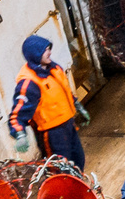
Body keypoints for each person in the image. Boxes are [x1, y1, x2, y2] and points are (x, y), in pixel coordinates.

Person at [5, 35, 87, 165]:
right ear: (36, 54)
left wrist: (77, 105)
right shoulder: (29, 83)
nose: (50, 52)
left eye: (49, 48)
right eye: (45, 50)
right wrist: (20, 134)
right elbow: (17, 114)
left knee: (78, 162)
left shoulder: (54, 69)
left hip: (68, 126)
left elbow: (64, 91)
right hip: (52, 135)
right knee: (60, 171)